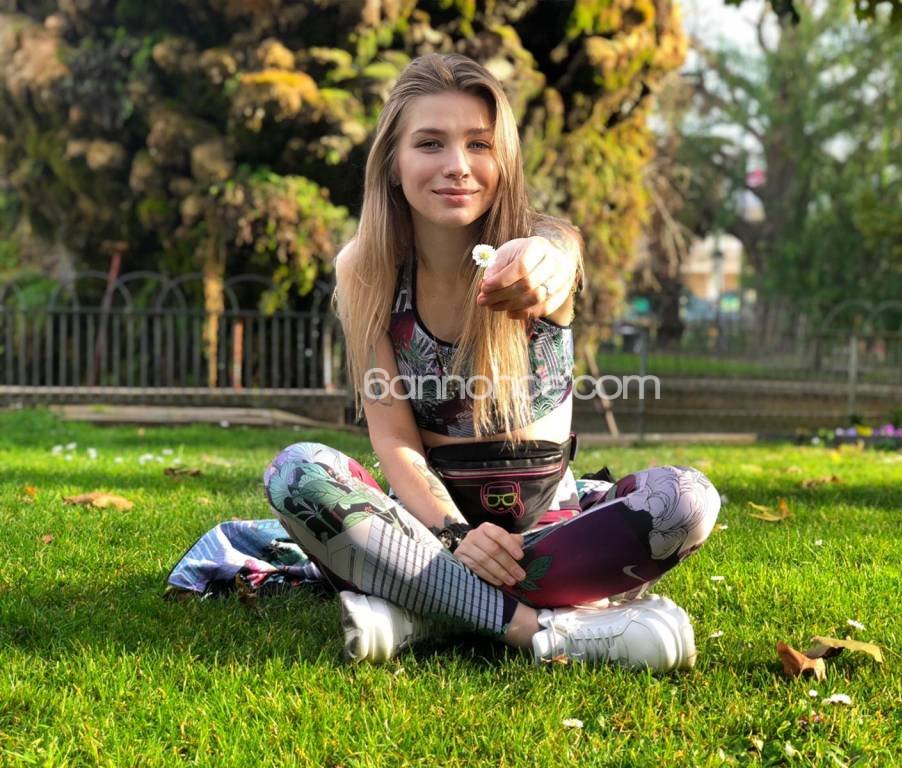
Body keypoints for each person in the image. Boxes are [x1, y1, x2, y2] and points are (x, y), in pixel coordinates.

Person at [263, 53, 721, 673]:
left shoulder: (537, 252)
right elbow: (393, 437)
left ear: (502, 158)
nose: (457, 165)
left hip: (545, 534)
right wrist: (456, 536)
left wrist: (545, 259)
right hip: (429, 532)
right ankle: (542, 631)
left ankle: (422, 612)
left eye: (479, 144)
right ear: (393, 162)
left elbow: (556, 253)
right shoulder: (364, 268)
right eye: (430, 143)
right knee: (295, 474)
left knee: (687, 501)